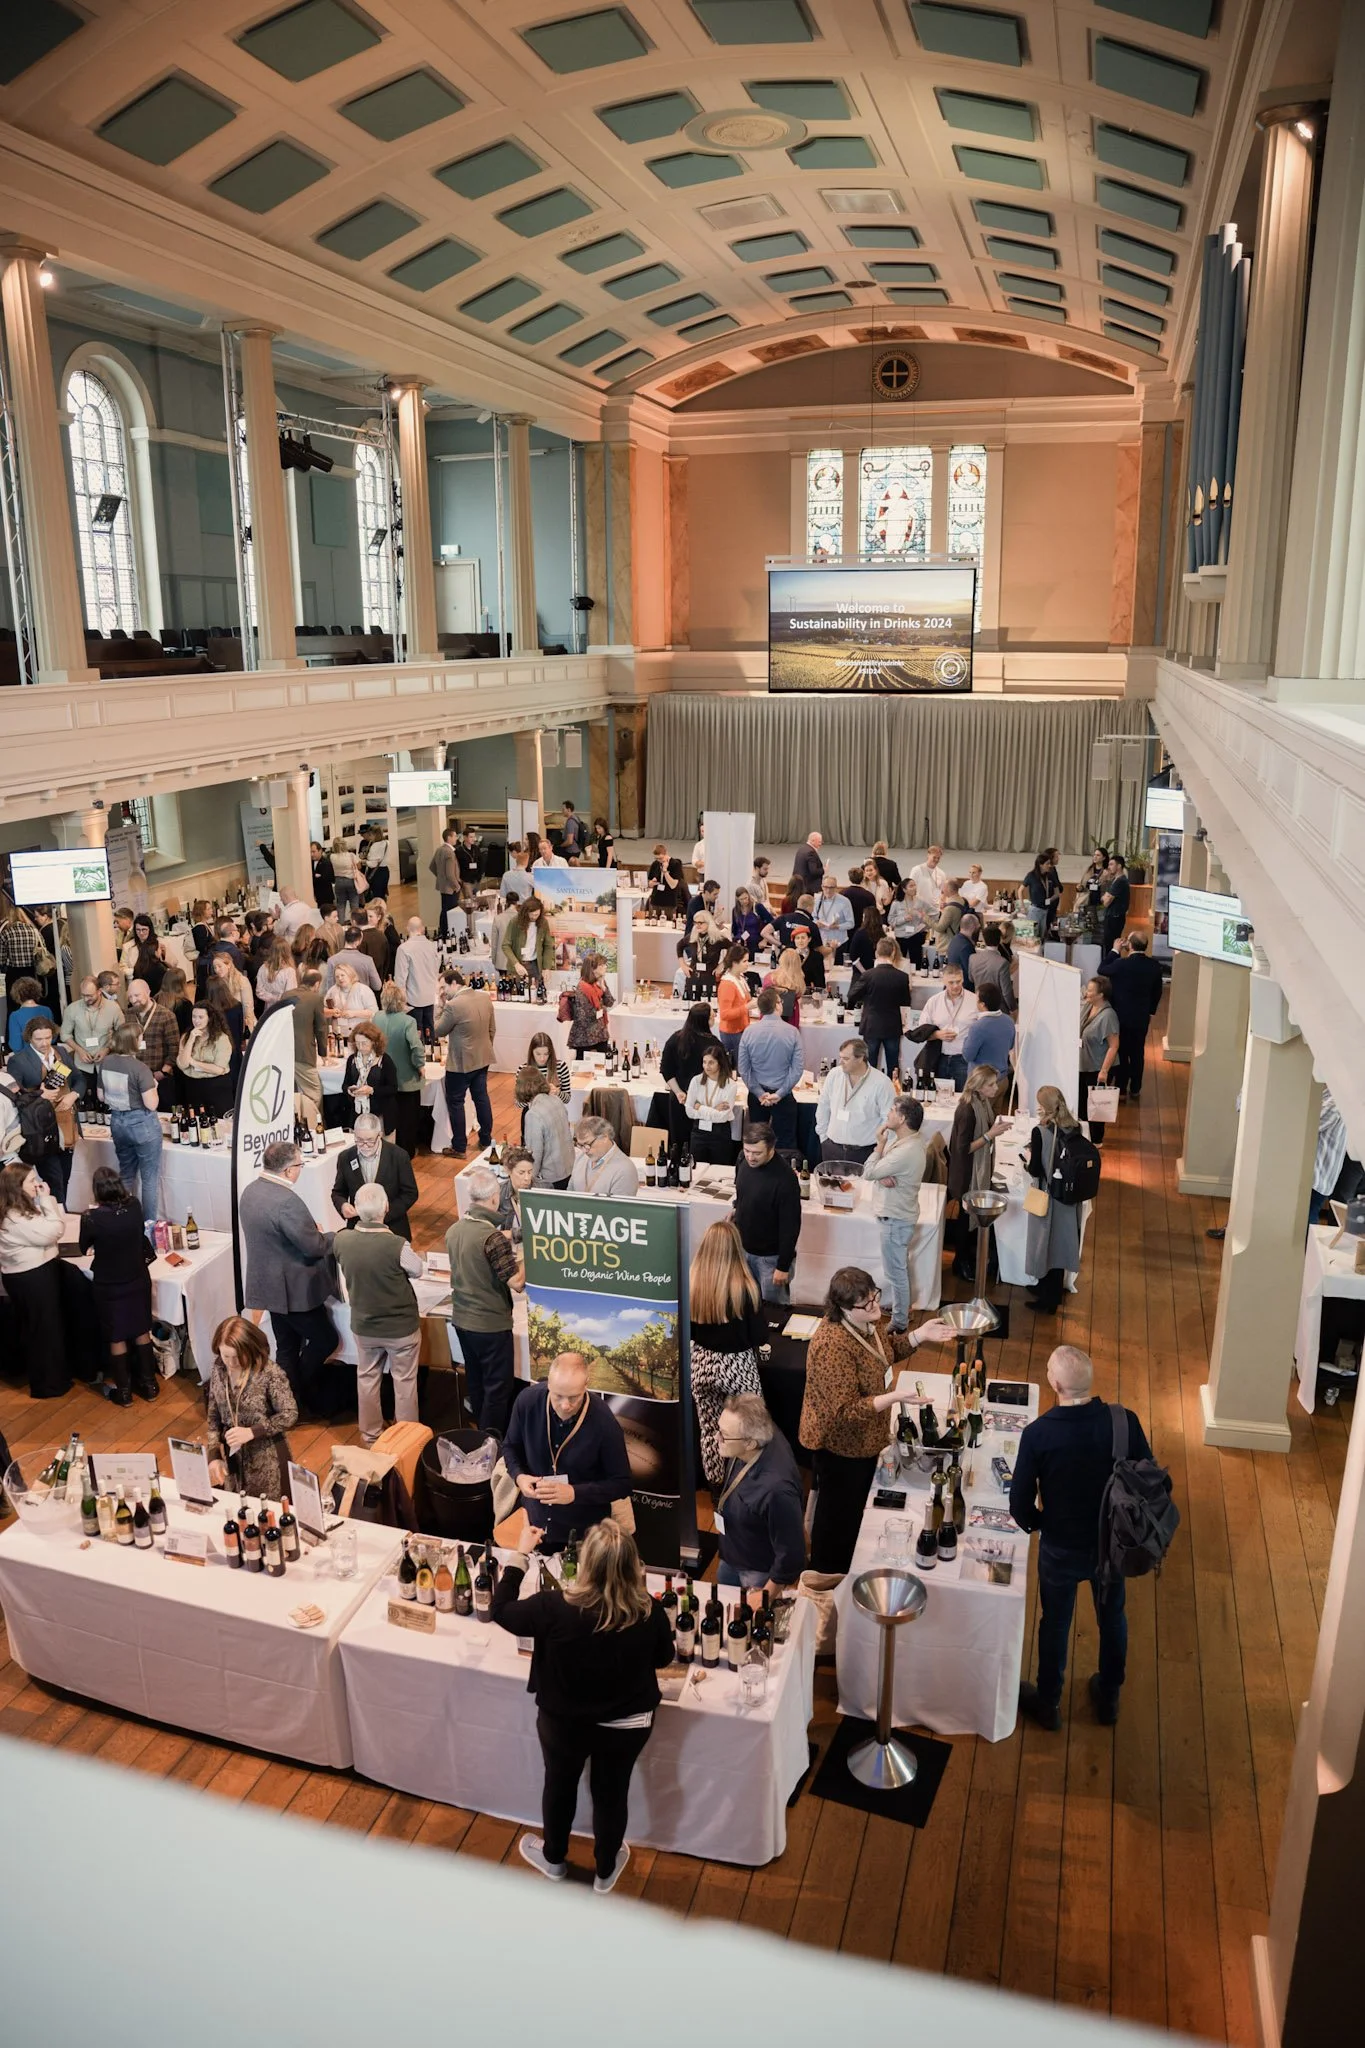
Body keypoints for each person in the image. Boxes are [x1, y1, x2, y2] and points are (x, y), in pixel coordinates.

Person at [494, 1517, 673, 1894]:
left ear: (586, 1562)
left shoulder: (552, 1607)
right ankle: (606, 1870)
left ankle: (555, 1859)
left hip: (564, 1723)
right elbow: (662, 1658)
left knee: (559, 1786)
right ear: (633, 1566)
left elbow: (502, 1610)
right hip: (627, 1725)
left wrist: (519, 1556)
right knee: (612, 1793)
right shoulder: (648, 1611)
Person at [1012, 1344, 1153, 1729]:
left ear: (1055, 1383)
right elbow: (1149, 1477)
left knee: (1055, 1621)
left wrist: (1039, 1522)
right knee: (1112, 1616)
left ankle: (1049, 1702)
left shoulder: (1039, 1433)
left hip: (1060, 1544)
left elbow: (1020, 1503)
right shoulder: (1125, 1421)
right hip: (1113, 1542)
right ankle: (1109, 1697)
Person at [800, 1267, 955, 1572]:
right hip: (841, 1449)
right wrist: (894, 1398)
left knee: (856, 1512)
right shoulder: (832, 1345)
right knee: (837, 1522)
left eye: (875, 1297)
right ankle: (827, 1580)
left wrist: (918, 1335)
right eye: (867, 1304)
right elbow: (845, 1413)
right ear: (844, 1308)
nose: (875, 1306)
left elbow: (884, 1354)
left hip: (867, 1441)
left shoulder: (867, 1323)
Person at [238, 1138, 337, 1416]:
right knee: (324, 1339)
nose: (301, 1169)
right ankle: (299, 1391)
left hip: (267, 1285)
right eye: (300, 1164)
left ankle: (288, 1402)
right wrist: (327, 1236)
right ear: (289, 1170)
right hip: (294, 1289)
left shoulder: (250, 1191)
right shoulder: (287, 1201)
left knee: (286, 1347)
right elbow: (314, 1246)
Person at [504, 1350, 633, 1549]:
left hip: (583, 1535)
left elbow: (622, 1483)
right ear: (548, 1384)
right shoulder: (527, 1402)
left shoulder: (604, 1421)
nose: (565, 1405)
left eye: (574, 1397)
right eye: (558, 1396)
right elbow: (510, 1447)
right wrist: (519, 1477)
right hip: (534, 1527)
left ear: (586, 1385)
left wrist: (574, 1493)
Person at [332, 1181, 424, 1444]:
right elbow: (417, 1270)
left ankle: (370, 1436)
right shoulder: (396, 1245)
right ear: (385, 1208)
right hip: (400, 1328)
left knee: (367, 1378)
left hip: (364, 1325)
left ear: (357, 1209)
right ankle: (406, 1439)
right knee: (404, 1382)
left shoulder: (342, 1240)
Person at [446, 1162, 522, 1435]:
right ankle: (491, 1443)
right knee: (497, 1388)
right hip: (490, 1324)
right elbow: (517, 1282)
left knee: (476, 1383)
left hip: (462, 1321)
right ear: (493, 1198)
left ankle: (478, 1438)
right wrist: (531, 1252)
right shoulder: (491, 1237)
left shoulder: (454, 1230)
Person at [688, 1219, 766, 1486]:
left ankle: (716, 1486)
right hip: (737, 1368)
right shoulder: (746, 1287)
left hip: (702, 1365)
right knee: (747, 1432)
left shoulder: (692, 1283)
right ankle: (746, 1484)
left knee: (711, 1430)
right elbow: (759, 1336)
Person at [78, 1166, 158, 1405]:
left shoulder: (91, 1218)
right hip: (136, 1279)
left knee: (116, 1335)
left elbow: (84, 1247)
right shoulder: (134, 1206)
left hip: (110, 1284)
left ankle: (123, 1391)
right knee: (142, 1329)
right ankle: (149, 1384)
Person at [713, 1393, 806, 1593]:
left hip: (756, 1573)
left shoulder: (777, 1490)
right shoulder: (759, 1429)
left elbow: (792, 1554)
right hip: (733, 1551)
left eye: (724, 1435)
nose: (716, 1438)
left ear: (750, 1443)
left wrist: (766, 1595)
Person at [0, 1161, 78, 1398]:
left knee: (42, 1328)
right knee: (43, 1330)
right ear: (17, 1187)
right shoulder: (14, 1218)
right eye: (32, 1181)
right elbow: (53, 1230)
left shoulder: (15, 1210)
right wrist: (46, 1200)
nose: (38, 1184)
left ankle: (52, 1378)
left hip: (30, 1275)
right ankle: (48, 1384)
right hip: (32, 1277)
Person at [205, 1314, 299, 1498]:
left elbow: (290, 1414)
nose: (232, 1363)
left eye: (238, 1356)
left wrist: (252, 1432)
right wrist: (214, 1455)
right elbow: (213, 1416)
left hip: (267, 1459)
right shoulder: (219, 1368)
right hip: (233, 1460)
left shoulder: (269, 1373)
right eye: (226, 1356)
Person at [863, 1095, 928, 1333]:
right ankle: (902, 1312)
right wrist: (883, 1172)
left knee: (896, 1273)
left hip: (895, 1219)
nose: (888, 1114)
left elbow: (868, 1172)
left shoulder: (904, 1150)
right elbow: (880, 1172)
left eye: (892, 1110)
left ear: (901, 1118)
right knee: (898, 1269)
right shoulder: (909, 1140)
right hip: (899, 1215)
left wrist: (879, 1147)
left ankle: (899, 1322)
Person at [1024, 1086, 1086, 1313]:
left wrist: (1028, 1159)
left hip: (1048, 1196)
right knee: (1060, 1245)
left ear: (1043, 1106)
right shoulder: (1074, 1127)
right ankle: (1050, 1290)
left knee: (1045, 1244)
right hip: (1068, 1196)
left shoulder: (1040, 1131)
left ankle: (1048, 1299)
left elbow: (1036, 1170)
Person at [948, 1064, 1005, 1280]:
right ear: (980, 1086)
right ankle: (960, 1262)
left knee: (969, 1217)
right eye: (991, 1084)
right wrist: (991, 1135)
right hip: (966, 1174)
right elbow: (962, 1149)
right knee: (965, 1218)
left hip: (974, 1169)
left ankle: (967, 1258)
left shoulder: (981, 1102)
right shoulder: (967, 1109)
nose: (996, 1088)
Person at [99, 1025, 163, 1219]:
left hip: (118, 1121)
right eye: (140, 1037)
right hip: (142, 1124)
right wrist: (155, 1086)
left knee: (126, 1174)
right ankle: (148, 1226)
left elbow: (101, 1097)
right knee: (149, 1179)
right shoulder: (140, 1068)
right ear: (132, 1041)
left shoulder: (106, 1061)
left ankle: (123, 1219)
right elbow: (151, 1104)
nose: (142, 1041)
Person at [733, 1121, 800, 1303]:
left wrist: (783, 1266)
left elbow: (791, 1226)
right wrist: (736, 1210)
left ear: (771, 1149)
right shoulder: (742, 1159)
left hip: (770, 1259)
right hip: (744, 1250)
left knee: (773, 1313)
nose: (750, 1157)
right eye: (747, 1151)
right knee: (747, 1305)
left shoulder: (786, 1179)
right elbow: (742, 1192)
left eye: (757, 1153)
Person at [433, 969, 495, 1156]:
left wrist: (440, 1006)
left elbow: (438, 1030)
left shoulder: (453, 1005)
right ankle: (485, 1139)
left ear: (454, 983)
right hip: (483, 1057)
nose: (442, 992)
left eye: (443, 987)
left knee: (456, 1102)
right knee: (481, 1098)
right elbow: (492, 1029)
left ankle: (459, 1146)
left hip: (460, 1063)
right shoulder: (484, 998)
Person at [332, 1112, 419, 1239]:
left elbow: (410, 1193)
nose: (364, 1146)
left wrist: (382, 1215)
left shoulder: (398, 1156)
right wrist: (343, 1205)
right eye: (359, 1140)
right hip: (358, 1228)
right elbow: (338, 1192)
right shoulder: (345, 1157)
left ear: (380, 1135)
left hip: (392, 1228)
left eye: (370, 1141)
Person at [737, 988, 803, 1154]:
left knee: (756, 1142)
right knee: (786, 1143)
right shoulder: (792, 1032)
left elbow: (744, 1069)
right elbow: (797, 1069)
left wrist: (759, 1093)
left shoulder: (749, 1032)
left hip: (758, 1096)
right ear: (777, 1005)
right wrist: (780, 1093)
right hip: (783, 1094)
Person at [816, 1037, 895, 1167]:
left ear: (860, 1058)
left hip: (865, 1152)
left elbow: (888, 1119)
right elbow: (823, 1107)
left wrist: (880, 1150)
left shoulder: (882, 1083)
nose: (841, 1062)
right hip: (832, 1148)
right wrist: (823, 1138)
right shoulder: (834, 1075)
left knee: (863, 1187)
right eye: (840, 1057)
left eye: (846, 1059)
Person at [1107, 933, 1163, 1100]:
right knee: (1138, 1052)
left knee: (1122, 1051)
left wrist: (1115, 950)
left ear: (1129, 945)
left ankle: (1121, 1089)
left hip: (1121, 1015)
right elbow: (1157, 992)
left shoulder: (1121, 964)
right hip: (1141, 1015)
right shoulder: (1154, 966)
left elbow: (1102, 968)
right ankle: (1136, 1088)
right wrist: (1150, 1011)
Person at [849, 935, 911, 1079]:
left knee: (869, 1066)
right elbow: (906, 1001)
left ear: (877, 953)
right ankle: (893, 1094)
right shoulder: (902, 977)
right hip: (893, 1025)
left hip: (871, 1024)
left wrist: (866, 997)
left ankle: (869, 1094)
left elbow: (852, 995)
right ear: (893, 953)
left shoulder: (868, 975)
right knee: (893, 1066)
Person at [658, 1001, 719, 1148]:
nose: (715, 1016)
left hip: (679, 1098)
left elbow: (666, 1069)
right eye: (712, 1015)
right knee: (700, 1143)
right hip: (704, 1101)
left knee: (679, 1142)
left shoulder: (675, 1038)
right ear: (704, 1021)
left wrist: (679, 1092)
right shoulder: (713, 1044)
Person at [59, 974, 122, 1099]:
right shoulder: (72, 1009)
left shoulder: (113, 1007)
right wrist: (79, 1050)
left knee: (108, 1100)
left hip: (106, 1063)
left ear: (99, 991)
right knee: (87, 1101)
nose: (86, 999)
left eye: (89, 995)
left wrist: (107, 1049)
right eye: (83, 995)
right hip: (82, 1065)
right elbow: (64, 1034)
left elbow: (121, 1032)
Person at [918, 963, 979, 1090]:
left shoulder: (974, 1001)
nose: (956, 986)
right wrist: (936, 1035)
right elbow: (921, 1029)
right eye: (951, 982)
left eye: (958, 981)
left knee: (963, 1098)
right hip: (939, 1057)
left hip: (963, 1059)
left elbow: (982, 1030)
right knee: (938, 1097)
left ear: (963, 979)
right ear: (944, 981)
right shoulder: (934, 1001)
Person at [517, 1064, 574, 1187]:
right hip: (569, 1168)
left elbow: (534, 1155)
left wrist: (527, 1181)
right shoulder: (556, 1100)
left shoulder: (533, 1115)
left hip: (551, 1178)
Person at [1079, 975, 1120, 1143]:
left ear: (1100, 994)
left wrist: (1104, 1071)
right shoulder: (1088, 1007)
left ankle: (1096, 1140)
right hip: (1084, 1064)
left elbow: (1114, 1045)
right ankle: (1084, 1137)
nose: (1086, 993)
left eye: (1090, 990)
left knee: (1095, 1107)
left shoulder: (1109, 1016)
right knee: (1082, 1103)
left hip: (1097, 1067)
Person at [176, 1000, 234, 1117]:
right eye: (194, 1017)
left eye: (201, 1017)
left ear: (210, 1018)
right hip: (193, 1086)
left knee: (220, 1124)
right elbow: (182, 1064)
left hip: (216, 1087)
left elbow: (219, 1069)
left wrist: (193, 1062)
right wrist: (191, 1039)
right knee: (196, 1123)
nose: (196, 1021)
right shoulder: (186, 1036)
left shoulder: (221, 1038)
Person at [341, 1019, 398, 1135]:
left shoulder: (385, 1060)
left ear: (374, 1042)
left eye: (364, 1043)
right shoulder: (352, 1060)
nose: (360, 1047)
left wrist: (372, 1090)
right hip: (358, 1113)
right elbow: (345, 1084)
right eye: (357, 1043)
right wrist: (350, 1090)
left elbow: (393, 1088)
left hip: (380, 1114)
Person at [684, 1042, 738, 1165]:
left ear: (720, 1063)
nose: (706, 1066)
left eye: (711, 1062)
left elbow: (723, 1117)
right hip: (699, 1132)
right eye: (704, 1062)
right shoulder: (696, 1081)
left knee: (719, 1170)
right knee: (697, 1169)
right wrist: (714, 1109)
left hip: (720, 1134)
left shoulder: (730, 1085)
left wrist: (700, 1107)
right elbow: (689, 1111)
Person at [290, 968, 328, 1119]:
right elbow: (321, 1028)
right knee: (315, 1092)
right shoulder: (315, 998)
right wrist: (323, 1053)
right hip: (304, 1052)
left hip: (286, 1050)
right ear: (317, 983)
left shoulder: (286, 995)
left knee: (293, 1092)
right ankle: (310, 1123)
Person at [569, 1114, 639, 1196]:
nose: (584, 1151)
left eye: (587, 1144)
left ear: (605, 1137)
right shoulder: (580, 1157)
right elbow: (570, 1191)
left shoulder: (625, 1170)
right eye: (580, 1145)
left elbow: (620, 1208)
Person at [563, 951, 614, 1056]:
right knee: (584, 1069)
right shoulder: (582, 987)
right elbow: (584, 1016)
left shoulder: (600, 982)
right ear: (593, 968)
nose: (605, 967)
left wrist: (604, 989)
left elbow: (610, 1002)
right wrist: (601, 1010)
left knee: (603, 1066)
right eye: (601, 965)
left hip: (600, 1034)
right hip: (585, 1037)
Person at [393, 915, 438, 1037]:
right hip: (429, 996)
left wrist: (400, 1001)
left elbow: (400, 979)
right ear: (422, 929)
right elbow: (436, 969)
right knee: (430, 1031)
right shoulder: (431, 946)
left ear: (407, 928)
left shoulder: (404, 949)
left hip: (412, 999)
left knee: (415, 1036)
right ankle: (432, 1053)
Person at [960, 982, 1016, 1076]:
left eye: (977, 1000)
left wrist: (966, 1038)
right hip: (1002, 1077)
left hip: (982, 1082)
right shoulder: (1009, 1021)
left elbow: (968, 1056)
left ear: (982, 1004)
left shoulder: (978, 1027)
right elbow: (1010, 1045)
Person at [501, 896, 555, 984]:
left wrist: (547, 967)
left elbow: (548, 945)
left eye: (537, 914)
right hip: (518, 964)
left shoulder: (543, 922)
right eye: (532, 915)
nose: (534, 917)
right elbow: (505, 945)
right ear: (525, 913)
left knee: (536, 993)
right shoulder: (515, 922)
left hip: (535, 965)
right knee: (518, 994)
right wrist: (516, 964)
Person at [0, 901, 44, 1008]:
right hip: (32, 972)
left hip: (13, 973)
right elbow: (43, 948)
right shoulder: (34, 931)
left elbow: (1, 959)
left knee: (14, 1005)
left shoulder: (6, 933)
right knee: (32, 1001)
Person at [966, 922, 1015, 1014]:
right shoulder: (1002, 963)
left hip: (979, 1005)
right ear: (1000, 939)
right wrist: (1014, 1008)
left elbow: (971, 978)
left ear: (984, 940)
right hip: (998, 1008)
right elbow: (1006, 992)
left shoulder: (973, 958)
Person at [714, 943, 751, 1059]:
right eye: (744, 961)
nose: (747, 964)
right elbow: (725, 1014)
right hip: (732, 1032)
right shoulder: (727, 984)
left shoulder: (740, 978)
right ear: (735, 963)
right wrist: (747, 1007)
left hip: (741, 1029)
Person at [5, 975, 52, 1054]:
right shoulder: (47, 1010)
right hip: (46, 1054)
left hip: (26, 1057)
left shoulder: (15, 1016)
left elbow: (16, 1045)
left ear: (17, 994)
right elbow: (53, 1037)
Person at [887, 878, 927, 970]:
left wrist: (923, 921)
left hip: (915, 935)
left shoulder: (919, 902)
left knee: (916, 964)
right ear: (904, 889)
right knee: (900, 964)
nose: (914, 888)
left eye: (915, 885)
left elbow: (925, 918)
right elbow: (890, 920)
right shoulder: (896, 903)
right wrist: (904, 919)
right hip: (901, 937)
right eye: (911, 886)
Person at [814, 872, 854, 963]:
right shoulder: (817, 899)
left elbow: (851, 923)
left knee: (838, 970)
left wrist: (837, 926)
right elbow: (813, 917)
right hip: (821, 941)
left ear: (836, 887)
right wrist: (816, 923)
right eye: (826, 887)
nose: (828, 890)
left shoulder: (844, 901)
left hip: (839, 942)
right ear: (822, 886)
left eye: (831, 887)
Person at [763, 947, 806, 1026]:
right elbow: (799, 994)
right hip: (789, 1018)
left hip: (769, 1016)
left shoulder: (769, 978)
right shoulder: (798, 981)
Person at [527, 1029, 571, 1106]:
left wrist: (557, 1092)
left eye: (546, 1054)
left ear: (550, 1052)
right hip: (532, 1114)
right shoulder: (524, 1069)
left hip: (554, 1112)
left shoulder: (561, 1066)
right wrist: (531, 1095)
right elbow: (518, 1104)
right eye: (538, 1054)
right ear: (531, 1052)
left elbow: (567, 1099)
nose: (542, 1058)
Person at [1024, 850, 1061, 937]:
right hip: (1035, 909)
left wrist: (1050, 900)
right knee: (1032, 935)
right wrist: (1022, 906)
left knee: (1042, 935)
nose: (1049, 866)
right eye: (1047, 864)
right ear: (1041, 864)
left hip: (1045, 909)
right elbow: (1020, 890)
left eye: (1050, 864)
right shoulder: (1032, 875)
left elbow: (1057, 892)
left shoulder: (1050, 875)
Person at [254, 936, 297, 1010]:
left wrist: (272, 998)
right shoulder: (289, 971)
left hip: (269, 1008)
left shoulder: (263, 968)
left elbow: (259, 991)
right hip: (284, 1010)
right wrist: (278, 998)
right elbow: (290, 996)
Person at [910, 844, 949, 920]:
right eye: (934, 857)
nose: (936, 860)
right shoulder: (917, 870)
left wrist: (942, 902)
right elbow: (909, 889)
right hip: (919, 911)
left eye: (938, 858)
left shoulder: (942, 874)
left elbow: (943, 892)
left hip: (934, 911)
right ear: (928, 855)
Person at [330, 838, 362, 922]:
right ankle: (356, 923)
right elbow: (359, 866)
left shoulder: (332, 857)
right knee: (354, 904)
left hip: (339, 881)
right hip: (351, 881)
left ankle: (340, 925)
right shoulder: (351, 855)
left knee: (340, 904)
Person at [456, 824, 483, 901]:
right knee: (470, 901)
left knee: (478, 900)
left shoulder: (476, 848)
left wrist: (480, 875)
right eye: (471, 837)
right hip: (466, 881)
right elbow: (456, 866)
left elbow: (481, 862)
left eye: (474, 837)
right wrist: (460, 879)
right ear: (465, 837)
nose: (474, 839)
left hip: (477, 880)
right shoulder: (459, 850)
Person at [792, 831, 824, 895]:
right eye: (819, 842)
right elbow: (814, 871)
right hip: (808, 887)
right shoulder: (811, 852)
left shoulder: (801, 849)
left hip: (798, 884)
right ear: (812, 841)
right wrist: (823, 870)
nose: (821, 844)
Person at [310, 841, 335, 912]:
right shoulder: (309, 863)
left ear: (320, 851)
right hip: (315, 896)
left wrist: (316, 877)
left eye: (313, 852)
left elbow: (328, 878)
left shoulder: (326, 862)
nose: (312, 854)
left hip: (325, 896)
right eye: (310, 852)